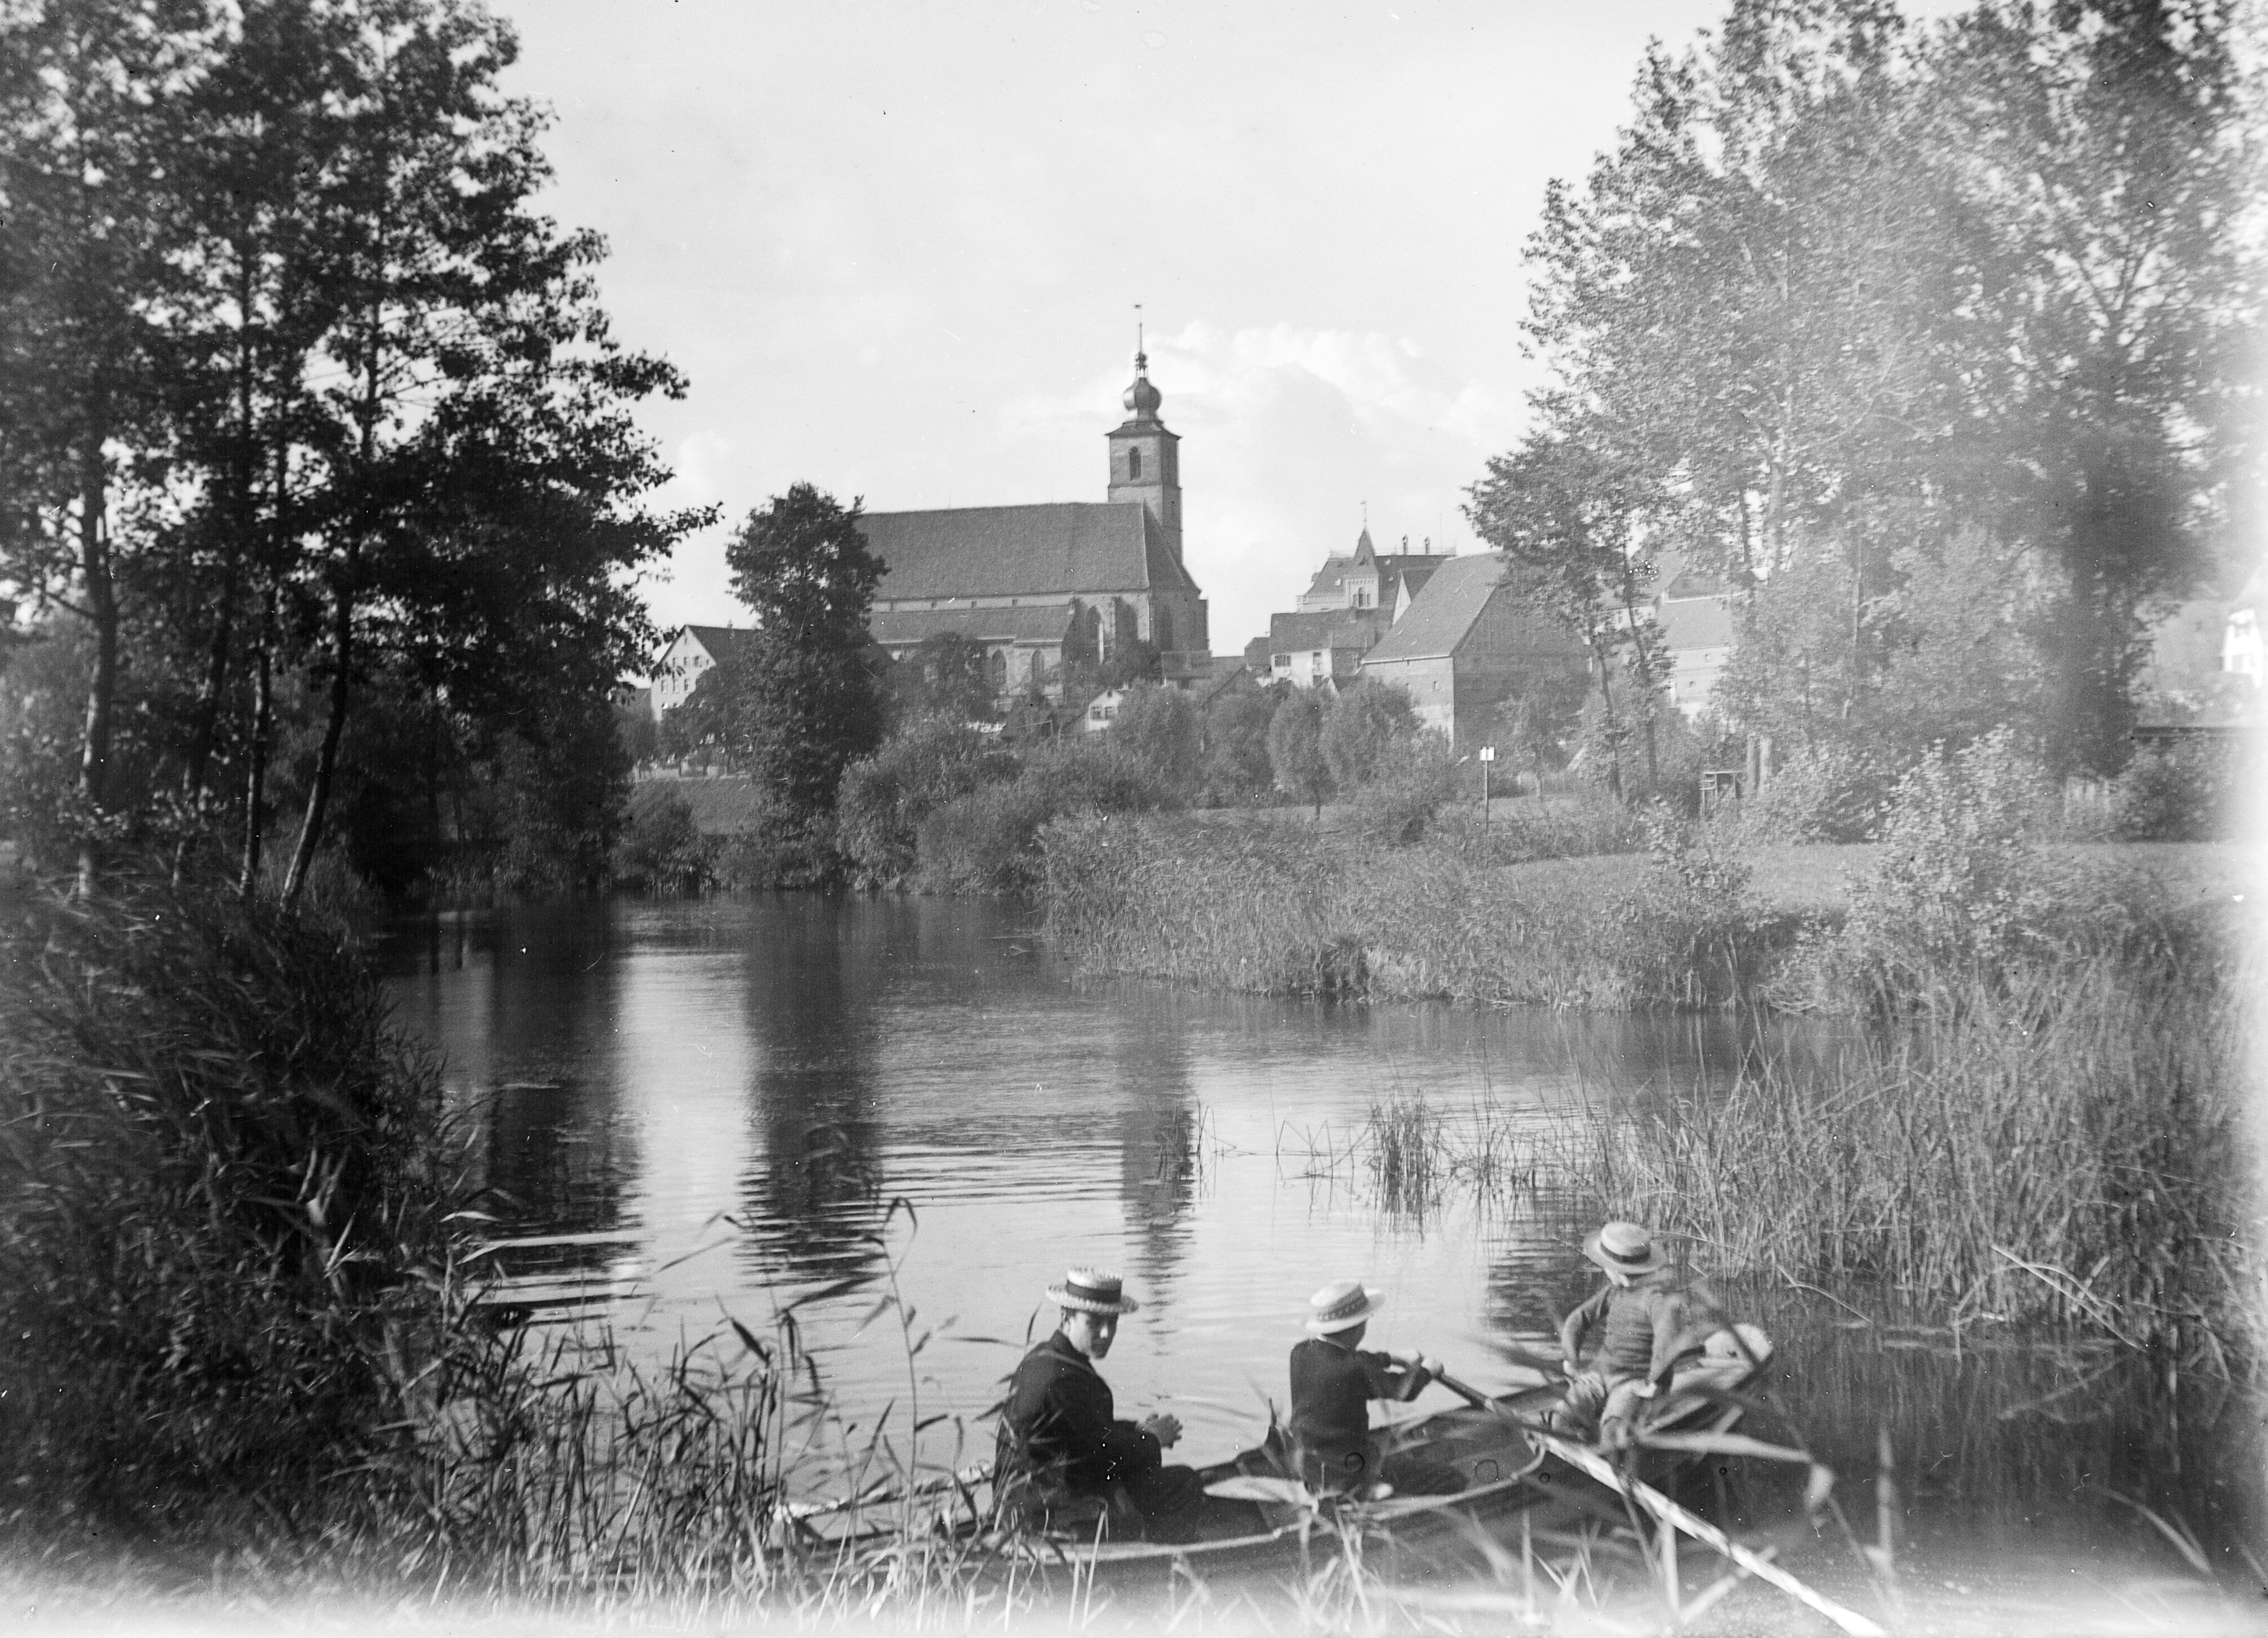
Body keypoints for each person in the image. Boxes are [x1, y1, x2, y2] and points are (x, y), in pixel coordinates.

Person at [994, 1267, 1207, 1540]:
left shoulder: (1041, 1359)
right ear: (1066, 1317)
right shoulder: (1064, 1380)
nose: (1106, 1333)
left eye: (1113, 1322)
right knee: (1184, 1483)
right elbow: (1102, 1460)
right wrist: (1152, 1440)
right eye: (1094, 1323)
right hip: (1045, 1514)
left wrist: (1138, 1429)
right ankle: (1164, 1563)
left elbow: (1082, 1435)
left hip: (1022, 1503)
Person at [1286, 1278, 1465, 1497]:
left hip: (1310, 1466)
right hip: (1348, 1471)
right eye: (1365, 1321)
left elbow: (1346, 1357)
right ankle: (1366, 1492)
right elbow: (1403, 1390)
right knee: (1452, 1478)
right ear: (1356, 1328)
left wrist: (1391, 1358)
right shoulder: (1355, 1368)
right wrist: (1427, 1371)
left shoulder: (1300, 1352)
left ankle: (1362, 1489)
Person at [1556, 1221, 1730, 1442]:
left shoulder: (1655, 1300)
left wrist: (1656, 1383)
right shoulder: (1614, 1292)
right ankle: (1575, 1446)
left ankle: (1598, 1448)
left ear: (1616, 1270)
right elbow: (1578, 1320)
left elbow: (1667, 1339)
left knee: (1613, 1430)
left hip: (1633, 1383)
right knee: (1561, 1416)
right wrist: (1571, 1358)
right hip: (1599, 1375)